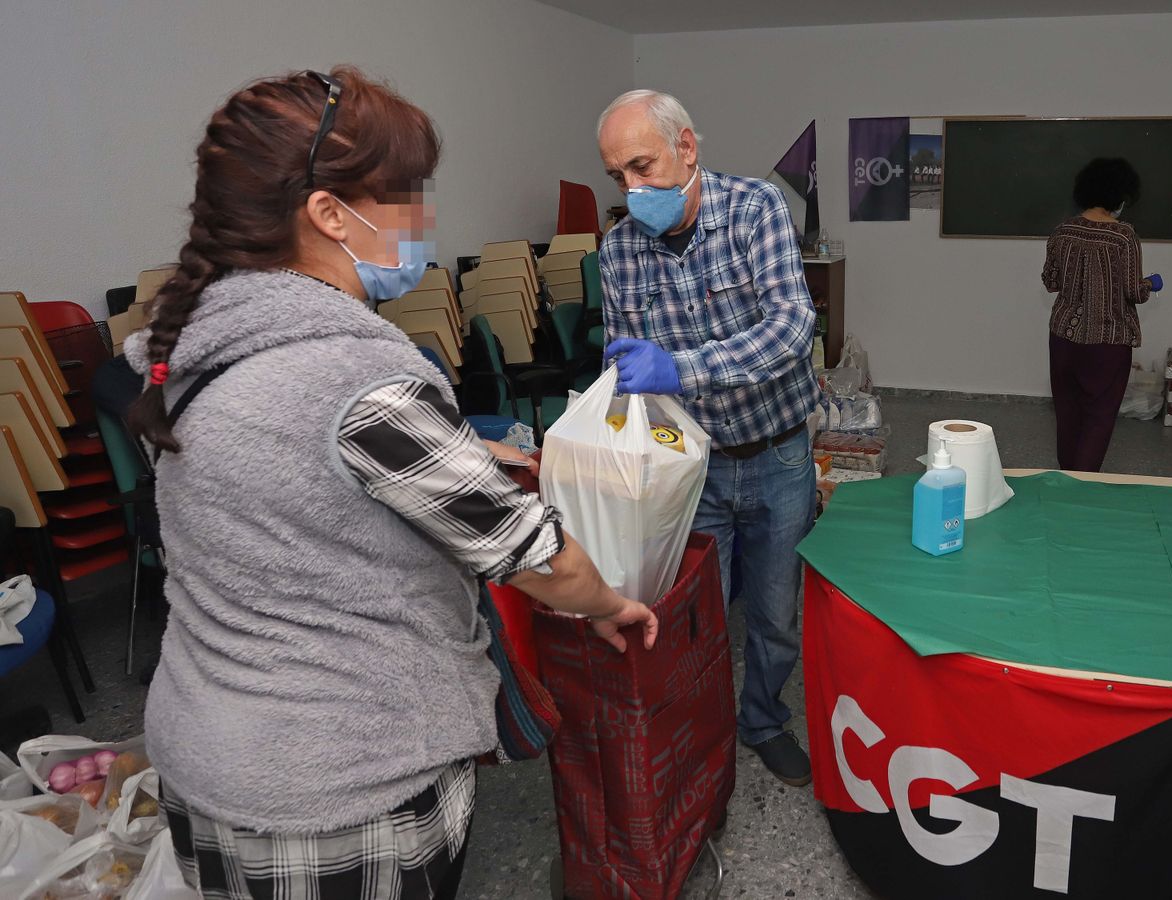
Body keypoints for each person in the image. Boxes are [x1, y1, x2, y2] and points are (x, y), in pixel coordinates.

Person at [127, 67, 658, 899]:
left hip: (205, 758)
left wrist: (463, 455)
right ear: (330, 214)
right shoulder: (354, 376)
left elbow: (301, 496)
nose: (422, 217)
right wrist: (607, 604)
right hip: (341, 790)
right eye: (405, 195)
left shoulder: (193, 354)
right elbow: (539, 560)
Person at [595, 89, 821, 786]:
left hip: (778, 454)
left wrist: (683, 368)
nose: (633, 190)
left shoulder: (755, 210)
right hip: (691, 468)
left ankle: (763, 720)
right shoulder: (618, 251)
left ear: (686, 148)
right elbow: (622, 358)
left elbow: (790, 328)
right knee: (697, 615)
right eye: (618, 177)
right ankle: (706, 729)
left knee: (776, 613)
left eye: (643, 167)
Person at [1039, 158, 1163, 472]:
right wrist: (1151, 283)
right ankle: (1083, 485)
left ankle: (1067, 478)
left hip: (1063, 338)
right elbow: (1134, 292)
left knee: (1067, 413)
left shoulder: (1063, 230)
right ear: (1119, 196)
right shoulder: (1123, 236)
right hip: (1107, 342)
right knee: (1098, 417)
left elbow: (1050, 282)